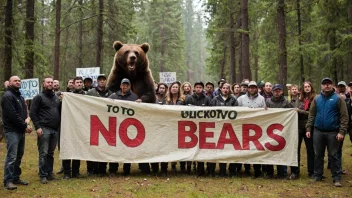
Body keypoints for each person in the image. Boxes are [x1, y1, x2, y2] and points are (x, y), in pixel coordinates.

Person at [306, 77, 348, 187]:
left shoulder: (338, 99)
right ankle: (317, 175)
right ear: (321, 86)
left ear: (332, 85)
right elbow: (311, 114)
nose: (327, 86)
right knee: (318, 154)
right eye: (325, 84)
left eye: (329, 84)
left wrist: (341, 132)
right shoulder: (317, 99)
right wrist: (308, 128)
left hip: (333, 132)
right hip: (318, 131)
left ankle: (336, 178)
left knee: (334, 155)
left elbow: (344, 116)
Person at [2, 76, 32, 190]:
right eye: (15, 81)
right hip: (12, 131)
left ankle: (15, 177)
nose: (18, 82)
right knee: (12, 157)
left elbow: (23, 113)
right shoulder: (8, 96)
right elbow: (13, 116)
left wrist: (27, 122)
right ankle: (8, 180)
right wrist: (25, 126)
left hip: (20, 131)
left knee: (19, 156)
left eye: (19, 81)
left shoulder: (18, 95)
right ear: (9, 83)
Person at [30, 76, 61, 184]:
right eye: (48, 82)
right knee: (43, 152)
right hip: (44, 128)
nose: (50, 84)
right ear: (43, 84)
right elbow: (32, 113)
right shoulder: (39, 97)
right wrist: (37, 127)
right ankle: (43, 175)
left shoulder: (56, 98)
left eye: (52, 82)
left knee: (51, 153)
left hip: (55, 130)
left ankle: (49, 172)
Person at [109, 78, 139, 175]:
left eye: (127, 85)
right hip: (115, 127)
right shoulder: (113, 96)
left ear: (129, 86)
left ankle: (127, 169)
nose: (125, 86)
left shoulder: (134, 97)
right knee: (115, 149)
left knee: (127, 149)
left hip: (129, 127)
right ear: (120, 86)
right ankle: (113, 169)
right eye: (123, 85)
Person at [237, 81, 266, 178]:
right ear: (248, 89)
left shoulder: (262, 99)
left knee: (256, 149)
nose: (252, 89)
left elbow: (265, 112)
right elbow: (237, 112)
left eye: (254, 87)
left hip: (257, 128)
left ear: (256, 88)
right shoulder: (241, 99)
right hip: (244, 127)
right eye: (250, 87)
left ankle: (258, 170)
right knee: (245, 149)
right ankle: (247, 169)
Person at [86, 74, 113, 176]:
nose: (102, 81)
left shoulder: (110, 94)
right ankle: (91, 169)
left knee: (104, 147)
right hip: (93, 122)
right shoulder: (90, 93)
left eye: (104, 80)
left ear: (106, 81)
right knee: (92, 147)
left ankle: (102, 169)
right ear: (97, 81)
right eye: (100, 80)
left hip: (106, 124)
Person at [265, 84, 293, 178]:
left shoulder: (286, 102)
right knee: (270, 150)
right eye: (275, 91)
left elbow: (291, 112)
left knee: (282, 150)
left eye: (279, 90)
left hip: (282, 129)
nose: (277, 92)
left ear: (281, 91)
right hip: (270, 129)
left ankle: (282, 172)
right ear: (272, 92)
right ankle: (269, 172)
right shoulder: (268, 101)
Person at [289, 82, 315, 179]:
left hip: (309, 127)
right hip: (297, 127)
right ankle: (295, 171)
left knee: (311, 150)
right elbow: (292, 110)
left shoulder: (314, 99)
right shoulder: (298, 99)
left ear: (311, 88)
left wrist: (300, 111)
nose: (307, 88)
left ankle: (311, 171)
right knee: (295, 150)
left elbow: (312, 113)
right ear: (302, 89)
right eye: (305, 87)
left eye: (309, 86)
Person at [211, 83, 238, 177]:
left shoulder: (233, 99)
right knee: (219, 149)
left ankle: (231, 170)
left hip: (230, 128)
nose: (225, 90)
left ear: (229, 89)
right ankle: (221, 170)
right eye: (224, 88)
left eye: (227, 88)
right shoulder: (215, 99)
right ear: (220, 89)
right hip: (218, 128)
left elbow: (238, 113)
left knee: (231, 149)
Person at [185, 81, 211, 176]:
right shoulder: (189, 99)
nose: (199, 89)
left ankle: (201, 169)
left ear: (202, 89)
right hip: (191, 128)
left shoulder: (207, 99)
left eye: (200, 87)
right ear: (194, 88)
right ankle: (189, 168)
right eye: (197, 87)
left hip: (204, 128)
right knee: (190, 148)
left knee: (202, 149)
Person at [62, 76, 85, 179]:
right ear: (73, 84)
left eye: (80, 82)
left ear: (83, 84)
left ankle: (76, 171)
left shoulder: (86, 96)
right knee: (67, 147)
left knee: (77, 148)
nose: (79, 84)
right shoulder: (68, 96)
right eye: (77, 82)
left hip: (80, 126)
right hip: (68, 125)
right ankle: (67, 172)